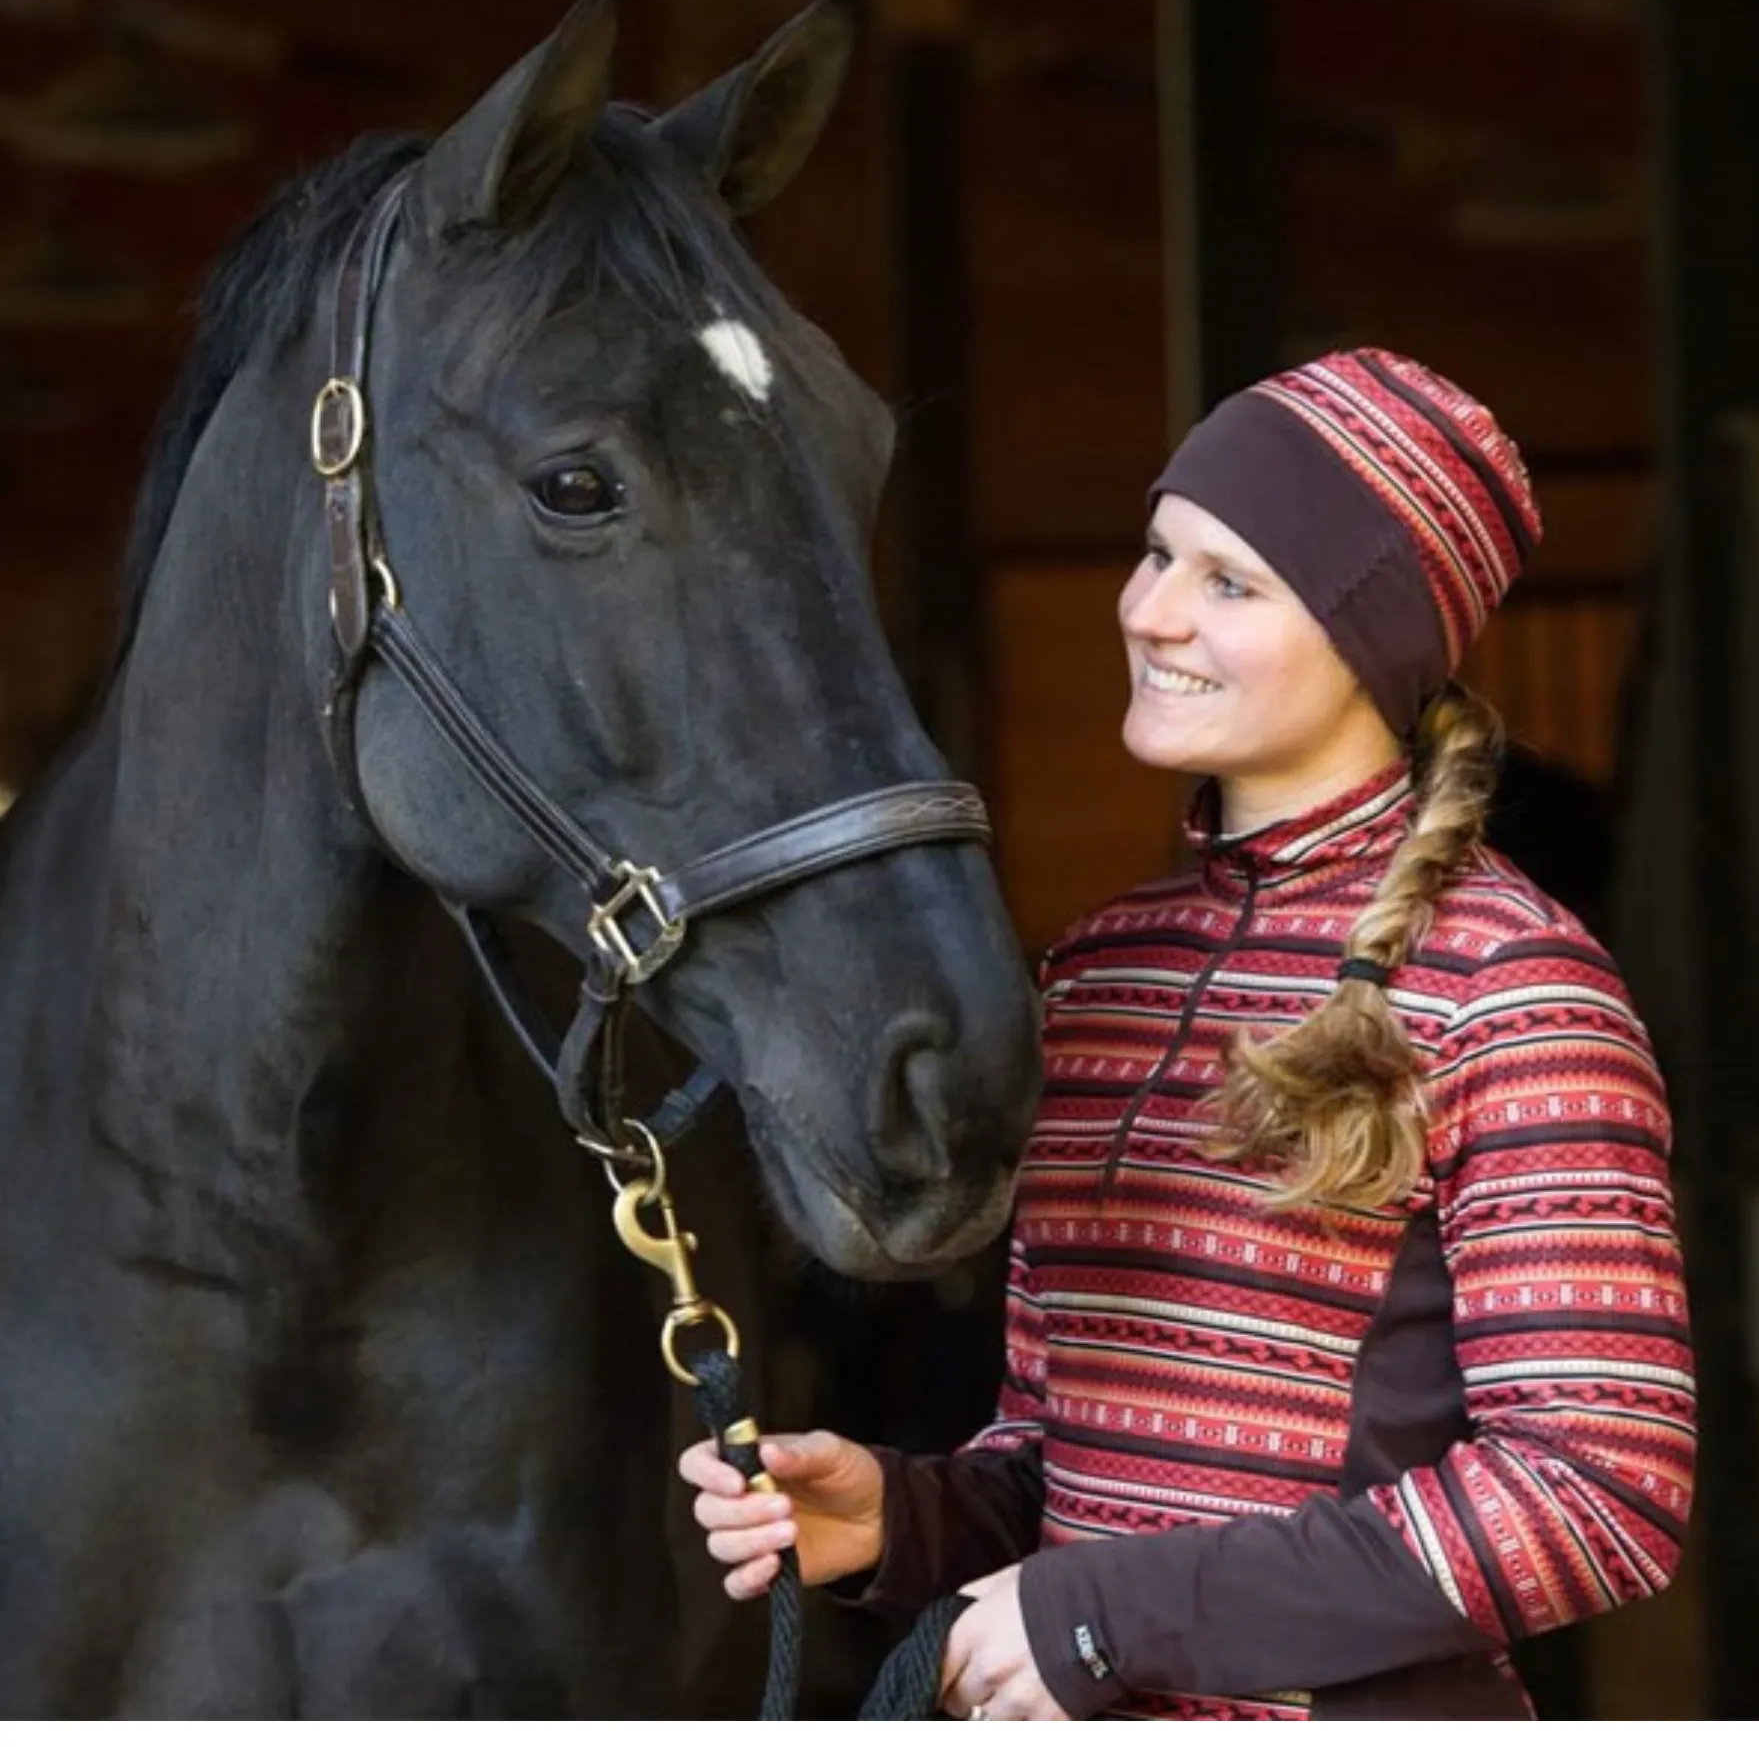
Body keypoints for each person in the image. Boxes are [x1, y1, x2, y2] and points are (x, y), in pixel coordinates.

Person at [678, 349, 1696, 1721]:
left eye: (1230, 582)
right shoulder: (1101, 972)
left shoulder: (1514, 987)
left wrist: (1101, 1625)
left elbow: (1596, 1490)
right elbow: (1070, 1457)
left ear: (1365, 637)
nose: (1150, 612)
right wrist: (900, 1520)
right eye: (1156, 552)